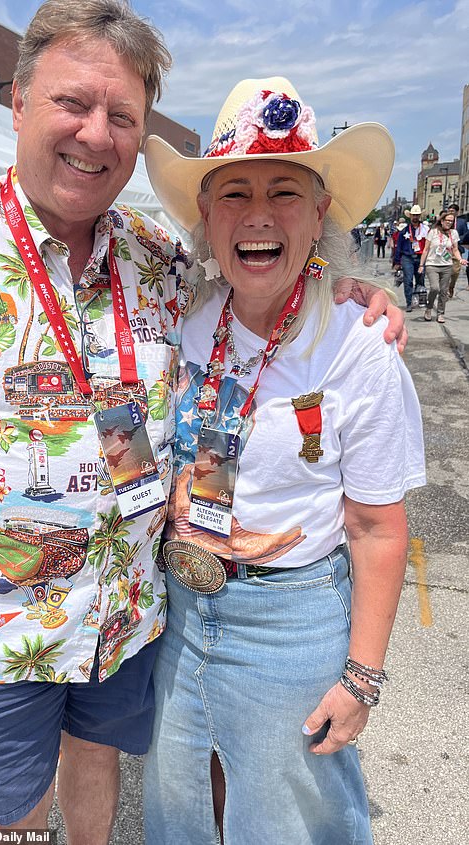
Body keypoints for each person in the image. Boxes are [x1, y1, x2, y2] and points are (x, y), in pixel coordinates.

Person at [0, 4, 404, 840]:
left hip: (130, 612)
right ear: (20, 101)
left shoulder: (158, 261)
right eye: (74, 103)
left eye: (122, 117)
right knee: (17, 810)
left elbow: (267, 266)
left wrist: (351, 289)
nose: (96, 134)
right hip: (1, 628)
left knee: (97, 767)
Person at [143, 76, 426, 844]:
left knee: (290, 825)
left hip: (289, 622)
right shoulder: (185, 318)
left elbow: (376, 528)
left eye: (285, 192)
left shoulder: (357, 344)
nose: (259, 213)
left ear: (320, 211)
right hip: (181, 610)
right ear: (207, 216)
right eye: (234, 192)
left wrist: (361, 677)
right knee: (185, 810)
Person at [419, 210, 467, 323]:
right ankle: (429, 308)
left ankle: (441, 313)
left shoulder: (453, 233)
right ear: (442, 221)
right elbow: (426, 249)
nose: (449, 222)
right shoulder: (433, 232)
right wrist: (421, 264)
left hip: (446, 265)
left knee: (444, 291)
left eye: (451, 221)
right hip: (432, 264)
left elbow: (455, 249)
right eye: (447, 220)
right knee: (435, 288)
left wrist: (460, 259)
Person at [393, 204, 429, 312]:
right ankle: (409, 302)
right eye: (413, 215)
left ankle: (419, 300)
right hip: (407, 257)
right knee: (408, 280)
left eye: (417, 215)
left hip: (420, 257)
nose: (415, 217)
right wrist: (397, 261)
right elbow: (398, 246)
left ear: (420, 216)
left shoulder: (426, 230)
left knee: (420, 279)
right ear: (410, 216)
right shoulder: (404, 231)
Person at [446, 203, 468, 297]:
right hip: (446, 250)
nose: (450, 213)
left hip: (457, 249)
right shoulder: (445, 221)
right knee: (445, 270)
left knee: (455, 271)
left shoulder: (461, 222)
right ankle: (445, 288)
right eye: (449, 211)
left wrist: (457, 239)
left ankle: (451, 286)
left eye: (452, 211)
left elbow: (466, 234)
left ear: (457, 212)